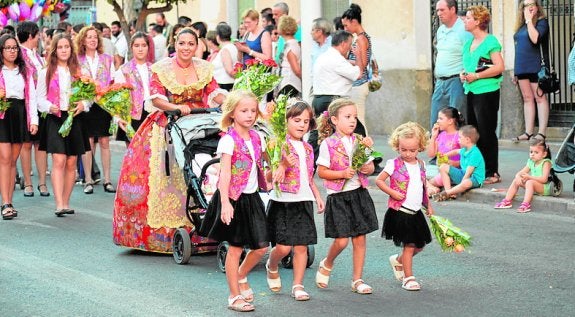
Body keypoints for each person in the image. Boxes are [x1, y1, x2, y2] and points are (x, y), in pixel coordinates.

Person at [112, 28, 226, 252]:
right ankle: (164, 234)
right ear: (175, 44)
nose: (186, 48)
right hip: (167, 124)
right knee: (164, 176)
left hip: (197, 124)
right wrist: (176, 107)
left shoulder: (203, 68)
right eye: (182, 43)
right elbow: (156, 97)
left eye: (190, 44)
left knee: (201, 170)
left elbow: (214, 92)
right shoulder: (162, 68)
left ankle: (205, 223)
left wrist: (231, 101)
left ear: (197, 45)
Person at [198, 90, 268, 312]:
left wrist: (276, 170)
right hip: (233, 197)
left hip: (253, 197)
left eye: (253, 110)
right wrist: (226, 203)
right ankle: (234, 295)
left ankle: (240, 276)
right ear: (232, 113)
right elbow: (225, 174)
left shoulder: (258, 137)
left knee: (261, 247)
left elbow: (265, 162)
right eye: (243, 110)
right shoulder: (228, 140)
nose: (249, 115)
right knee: (236, 248)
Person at [314, 98, 378, 295]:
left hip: (359, 194)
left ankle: (357, 279)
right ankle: (327, 262)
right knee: (341, 240)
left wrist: (368, 167)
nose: (352, 121)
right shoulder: (328, 144)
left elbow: (370, 167)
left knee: (360, 239)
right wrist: (341, 173)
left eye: (355, 117)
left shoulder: (360, 141)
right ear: (334, 120)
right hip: (338, 196)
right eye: (347, 117)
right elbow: (322, 171)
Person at [265, 99, 325, 301]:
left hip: (304, 201)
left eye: (306, 121)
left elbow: (308, 178)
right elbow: (267, 176)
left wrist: (317, 196)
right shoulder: (277, 144)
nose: (301, 125)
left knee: (301, 247)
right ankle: (272, 264)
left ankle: (298, 285)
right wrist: (281, 165)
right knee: (283, 247)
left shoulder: (308, 149)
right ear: (286, 121)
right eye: (297, 120)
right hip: (282, 202)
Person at [375, 121, 434, 291]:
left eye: (412, 150)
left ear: (420, 147)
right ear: (397, 146)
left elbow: (423, 185)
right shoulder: (394, 164)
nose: (407, 154)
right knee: (409, 245)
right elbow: (379, 180)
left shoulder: (421, 165)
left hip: (416, 212)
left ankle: (399, 261)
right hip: (401, 212)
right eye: (403, 149)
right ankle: (408, 277)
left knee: (420, 245)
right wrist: (392, 192)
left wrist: (428, 205)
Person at [37, 33, 88, 217]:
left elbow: (89, 95)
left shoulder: (79, 72)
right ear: (55, 50)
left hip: (75, 118)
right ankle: (59, 203)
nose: (64, 50)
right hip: (55, 117)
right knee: (58, 159)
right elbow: (39, 98)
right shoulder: (46, 72)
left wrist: (83, 105)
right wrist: (49, 107)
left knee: (72, 161)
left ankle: (66, 201)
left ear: (71, 49)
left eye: (67, 46)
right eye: (60, 47)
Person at [460, 5, 504, 185]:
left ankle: (492, 171)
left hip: (487, 91)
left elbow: (499, 66)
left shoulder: (490, 41)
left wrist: (476, 75)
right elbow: (470, 66)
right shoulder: (467, 44)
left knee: (486, 132)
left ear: (478, 21)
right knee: (473, 132)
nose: (465, 20)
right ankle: (477, 169)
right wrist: (463, 74)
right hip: (470, 90)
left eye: (469, 17)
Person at [0, 34, 38, 220]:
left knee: (12, 160)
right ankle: (6, 203)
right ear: (1, 50)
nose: (12, 51)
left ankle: (8, 201)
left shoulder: (25, 71)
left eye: (14, 47)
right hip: (2, 113)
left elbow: (32, 96)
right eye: (8, 48)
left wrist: (34, 120)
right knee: (5, 158)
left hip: (20, 113)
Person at [310, 30, 360, 169]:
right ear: (343, 44)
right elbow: (357, 74)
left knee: (319, 134)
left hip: (320, 99)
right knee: (356, 130)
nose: (350, 48)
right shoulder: (336, 59)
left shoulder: (325, 56)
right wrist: (359, 57)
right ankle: (362, 162)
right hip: (333, 101)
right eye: (350, 45)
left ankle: (309, 166)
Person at [75, 26, 116, 194]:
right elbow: (75, 82)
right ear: (83, 40)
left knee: (105, 141)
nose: (92, 40)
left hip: (103, 103)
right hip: (86, 105)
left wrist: (108, 96)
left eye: (95, 37)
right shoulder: (77, 59)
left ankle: (107, 179)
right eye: (89, 37)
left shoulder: (107, 59)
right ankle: (88, 179)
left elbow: (112, 81)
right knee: (89, 141)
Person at [16, 21, 50, 198]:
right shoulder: (19, 55)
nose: (39, 38)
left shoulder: (38, 56)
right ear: (31, 36)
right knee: (27, 144)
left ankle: (42, 182)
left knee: (41, 145)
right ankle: (28, 182)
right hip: (26, 105)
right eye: (37, 35)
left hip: (41, 104)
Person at [513, 0, 550, 142]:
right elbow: (518, 47)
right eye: (525, 6)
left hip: (536, 66)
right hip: (522, 67)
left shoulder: (541, 23)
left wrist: (529, 21)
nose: (529, 8)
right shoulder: (521, 26)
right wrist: (516, 71)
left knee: (539, 98)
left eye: (531, 5)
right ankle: (528, 132)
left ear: (537, 7)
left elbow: (535, 39)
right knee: (527, 99)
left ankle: (541, 132)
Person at [430, 0, 471, 129]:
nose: (439, 14)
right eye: (437, 10)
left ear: (453, 9)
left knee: (455, 123)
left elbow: (470, 54)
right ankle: (438, 149)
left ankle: (458, 149)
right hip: (440, 82)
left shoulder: (464, 29)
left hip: (456, 82)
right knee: (436, 123)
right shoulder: (440, 30)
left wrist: (466, 73)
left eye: (442, 10)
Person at [113, 32, 152, 145]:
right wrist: (118, 117)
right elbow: (117, 97)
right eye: (137, 46)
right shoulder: (123, 70)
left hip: (151, 113)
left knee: (151, 154)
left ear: (148, 47)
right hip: (131, 114)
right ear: (131, 48)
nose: (140, 49)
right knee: (133, 154)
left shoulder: (154, 69)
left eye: (144, 45)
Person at [494, 138, 552, 213]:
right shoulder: (531, 162)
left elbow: (544, 179)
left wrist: (529, 177)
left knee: (529, 182)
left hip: (544, 188)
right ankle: (507, 201)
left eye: (536, 152)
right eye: (531, 152)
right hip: (533, 186)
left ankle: (526, 204)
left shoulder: (546, 163)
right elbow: (520, 172)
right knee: (516, 180)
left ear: (544, 154)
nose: (532, 154)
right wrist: (518, 177)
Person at [434, 125, 485, 201]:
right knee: (443, 167)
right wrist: (445, 155)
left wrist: (463, 181)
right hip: (463, 173)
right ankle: (449, 191)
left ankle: (448, 192)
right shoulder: (464, 149)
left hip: (474, 178)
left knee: (466, 183)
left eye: (460, 137)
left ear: (467, 139)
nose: (458, 139)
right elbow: (455, 151)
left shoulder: (475, 153)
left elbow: (469, 172)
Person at [342, 4, 371, 133]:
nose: (345, 28)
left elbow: (363, 64)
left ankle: (366, 148)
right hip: (358, 84)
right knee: (357, 119)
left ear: (354, 21)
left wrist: (345, 61)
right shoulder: (361, 37)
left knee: (358, 120)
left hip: (359, 84)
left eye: (346, 25)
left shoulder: (361, 39)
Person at [426, 107, 465, 195]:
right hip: (441, 171)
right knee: (418, 175)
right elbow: (431, 154)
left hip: (456, 171)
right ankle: (433, 189)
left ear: (450, 121)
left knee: (427, 182)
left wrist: (455, 163)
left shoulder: (460, 135)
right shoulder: (441, 135)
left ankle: (434, 189)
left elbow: (467, 156)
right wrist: (433, 137)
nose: (437, 121)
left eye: (441, 118)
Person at [276, 15, 301, 97]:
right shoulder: (293, 44)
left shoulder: (290, 46)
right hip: (288, 82)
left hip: (289, 83)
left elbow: (296, 70)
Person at [212, 23, 238, 91]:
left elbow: (230, 71)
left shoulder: (225, 50)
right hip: (228, 84)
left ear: (218, 36)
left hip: (224, 86)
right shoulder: (233, 47)